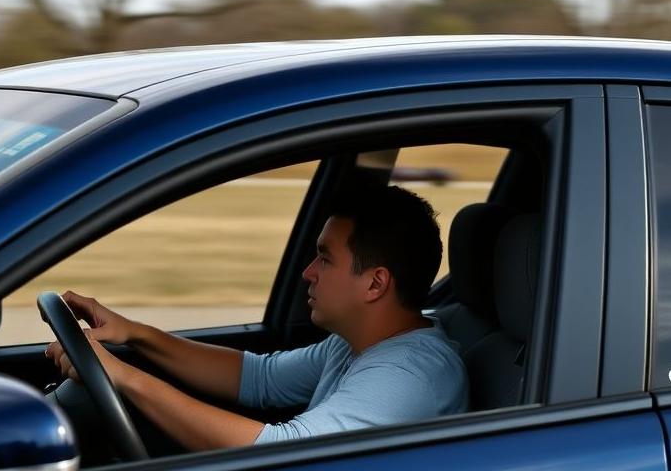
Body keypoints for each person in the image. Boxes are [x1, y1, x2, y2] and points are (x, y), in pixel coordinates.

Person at [46, 183, 468, 452]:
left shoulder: (409, 373)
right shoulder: (356, 344)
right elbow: (256, 377)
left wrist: (125, 377)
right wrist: (136, 334)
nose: (308, 273)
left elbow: (285, 452)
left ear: (375, 284)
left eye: (325, 259)